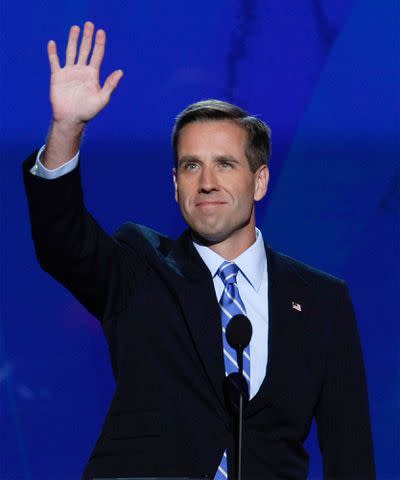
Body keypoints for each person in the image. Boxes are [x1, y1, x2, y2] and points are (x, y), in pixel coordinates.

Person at [22, 21, 376, 480]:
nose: (206, 182)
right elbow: (61, 241)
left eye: (225, 164)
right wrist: (66, 129)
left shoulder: (324, 301)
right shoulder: (139, 268)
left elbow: (351, 456)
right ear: (175, 185)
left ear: (260, 180)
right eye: (191, 166)